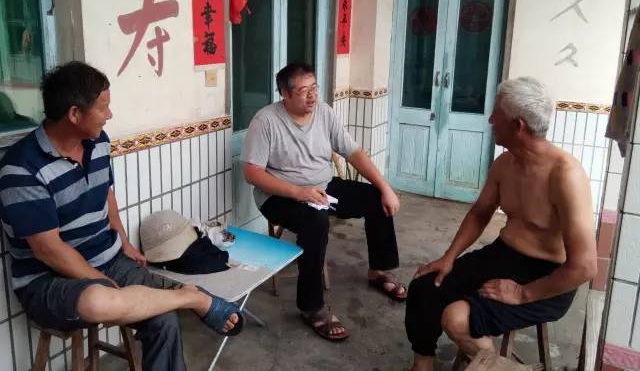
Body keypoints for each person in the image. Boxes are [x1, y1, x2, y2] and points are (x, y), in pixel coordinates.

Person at [0, 61, 242, 371]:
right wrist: (100, 282)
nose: (110, 114)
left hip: (108, 258)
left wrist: (124, 243)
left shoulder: (98, 141)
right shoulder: (21, 168)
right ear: (74, 114)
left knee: (162, 317)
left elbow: (107, 193)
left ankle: (178, 300)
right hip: (47, 279)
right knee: (98, 301)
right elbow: (48, 249)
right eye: (103, 108)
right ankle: (190, 297)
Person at [405, 77, 597, 371]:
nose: (490, 119)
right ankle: (423, 364)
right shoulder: (505, 164)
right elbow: (480, 213)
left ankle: (494, 367)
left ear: (517, 125)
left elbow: (584, 267)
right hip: (502, 255)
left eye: (496, 113)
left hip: (547, 276)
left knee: (456, 318)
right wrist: (449, 257)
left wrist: (522, 293)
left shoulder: (566, 176)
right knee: (424, 286)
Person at [242, 63, 406, 341]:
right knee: (315, 222)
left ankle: (379, 270)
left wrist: (385, 188)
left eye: (314, 88)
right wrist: (299, 193)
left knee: (375, 199)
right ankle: (312, 307)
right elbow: (252, 174)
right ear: (285, 94)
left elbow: (354, 152)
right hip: (279, 197)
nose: (312, 96)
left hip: (323, 187)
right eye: (303, 90)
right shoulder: (265, 121)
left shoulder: (325, 113)